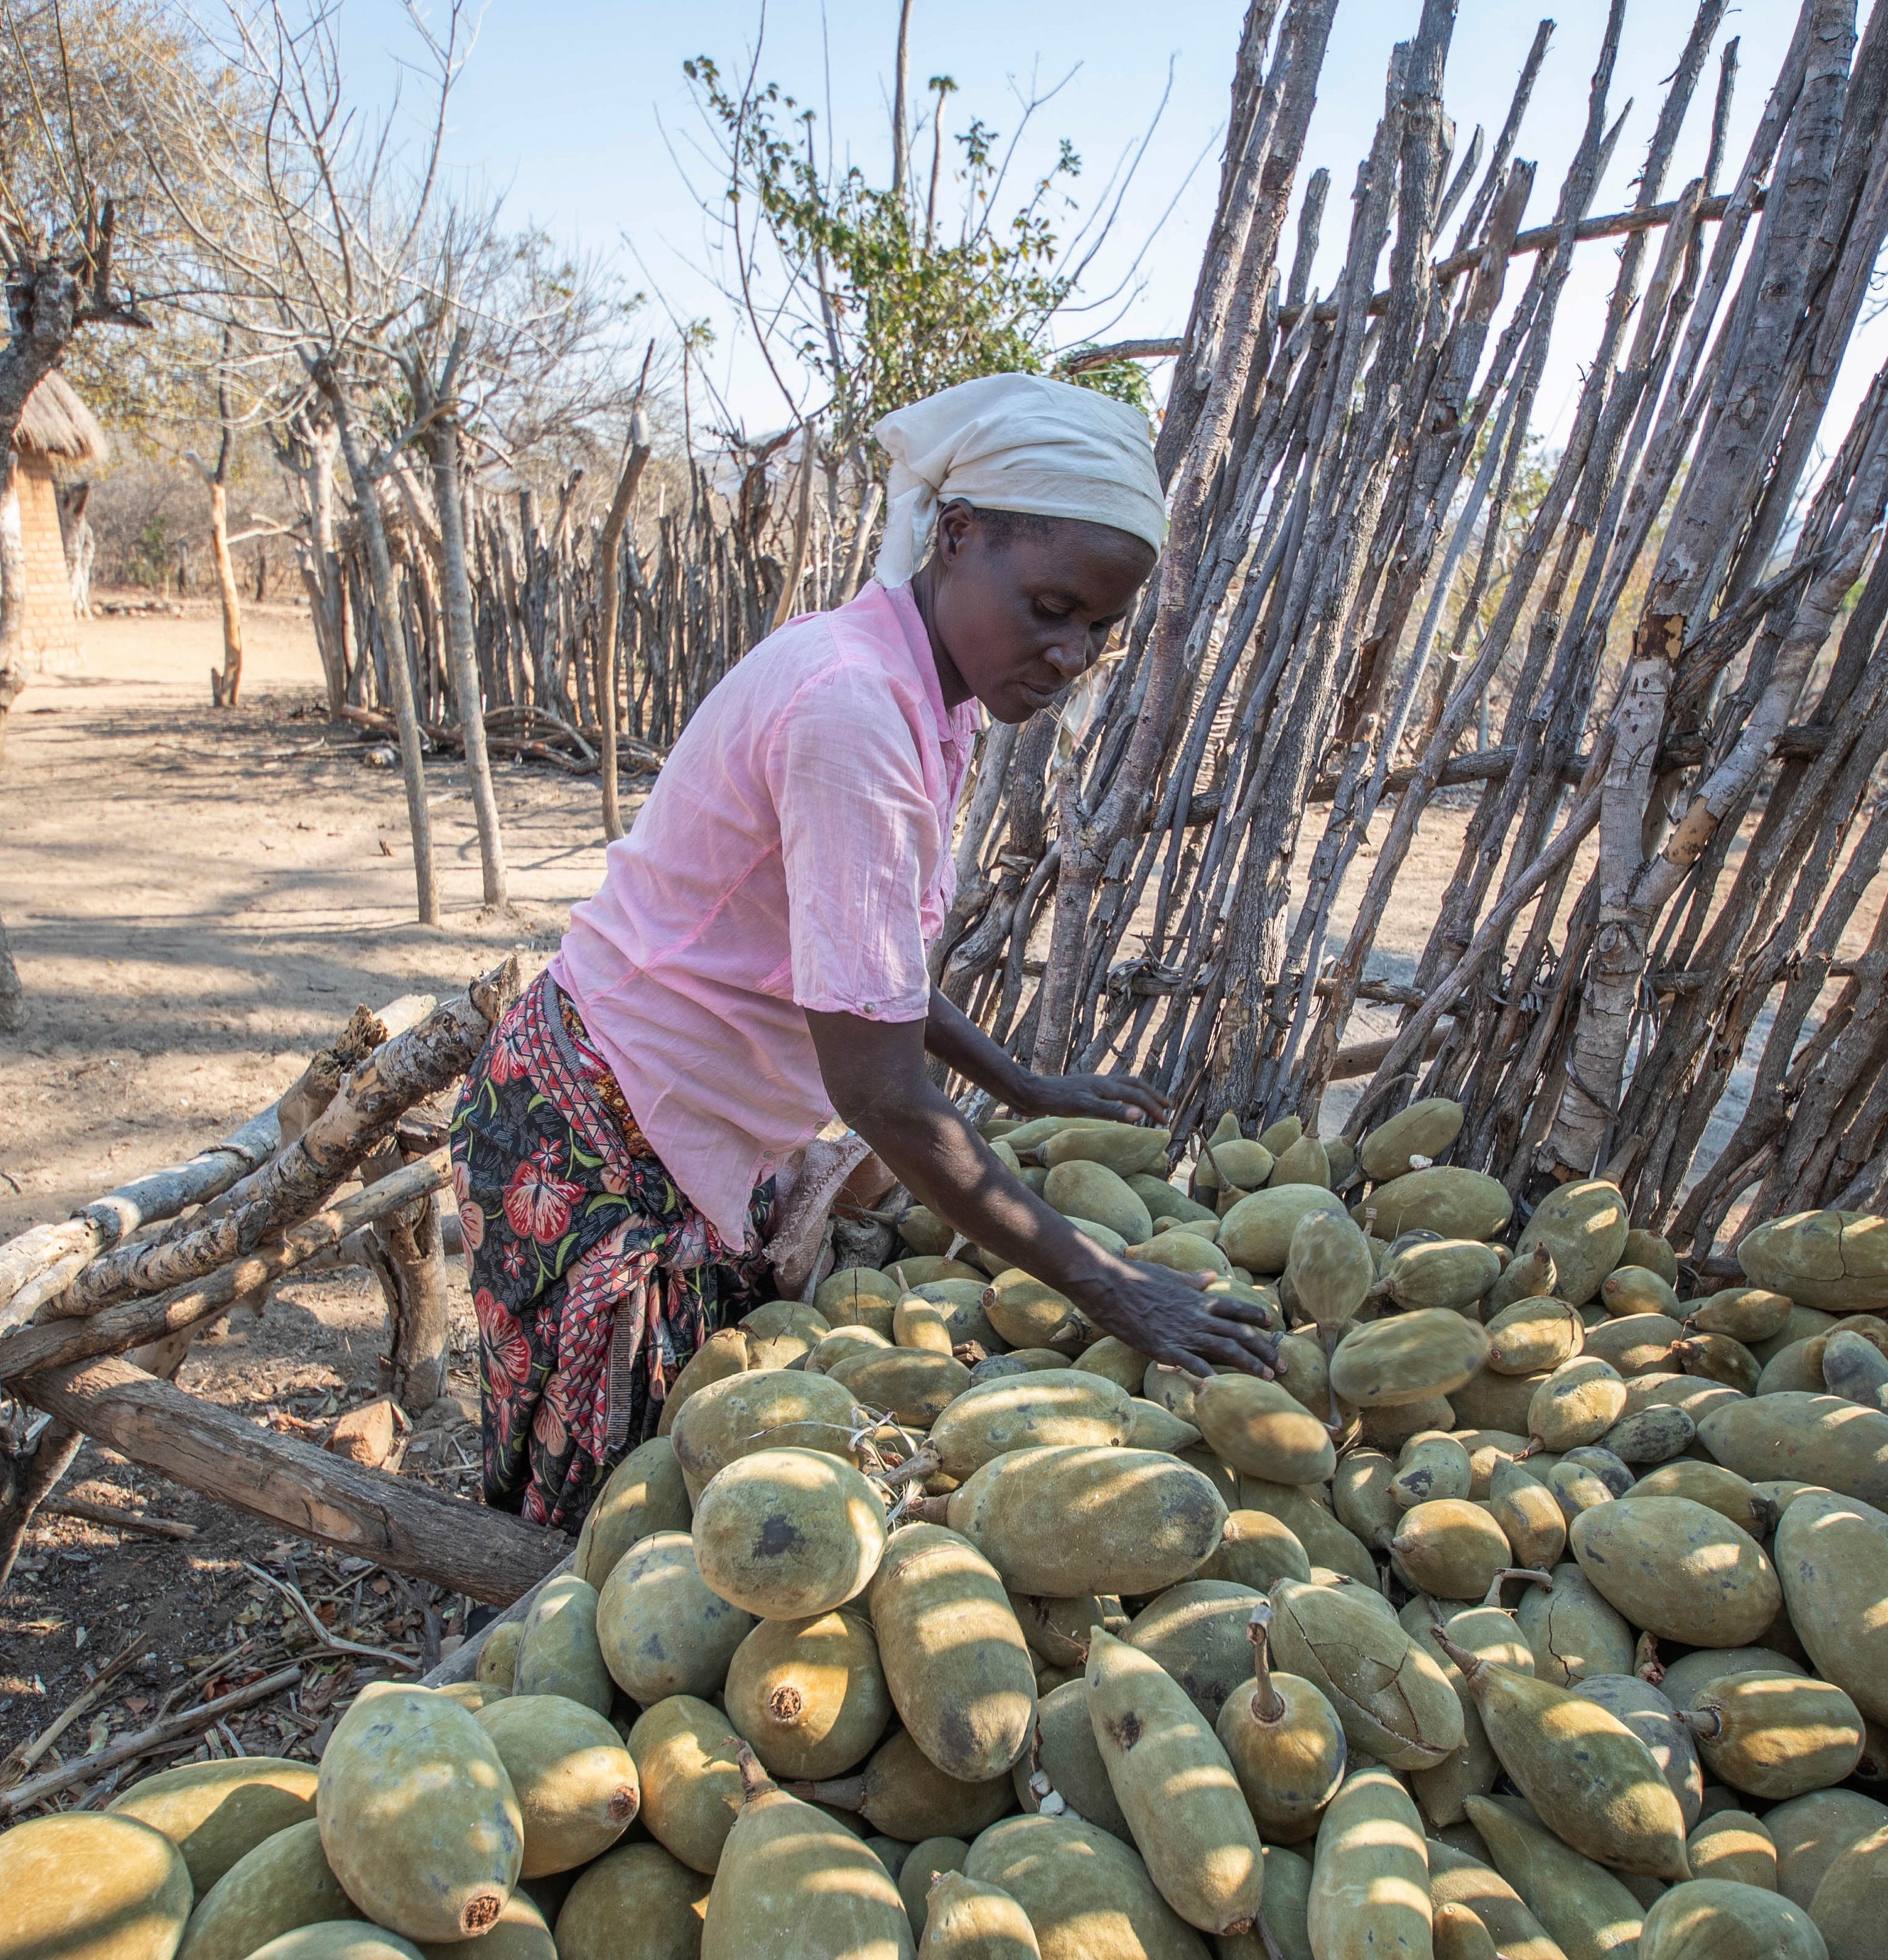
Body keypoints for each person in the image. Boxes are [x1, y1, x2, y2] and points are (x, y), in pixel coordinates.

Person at [450, 371, 1280, 1529]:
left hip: (664, 1118)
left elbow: (864, 960)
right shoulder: (850, 706)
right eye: (1049, 606)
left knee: (668, 1501)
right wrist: (1115, 1291)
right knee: (606, 1529)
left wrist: (1018, 1084)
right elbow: (879, 1093)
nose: (1073, 651)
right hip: (596, 1134)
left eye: (1098, 626)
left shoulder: (923, 696)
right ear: (953, 536)